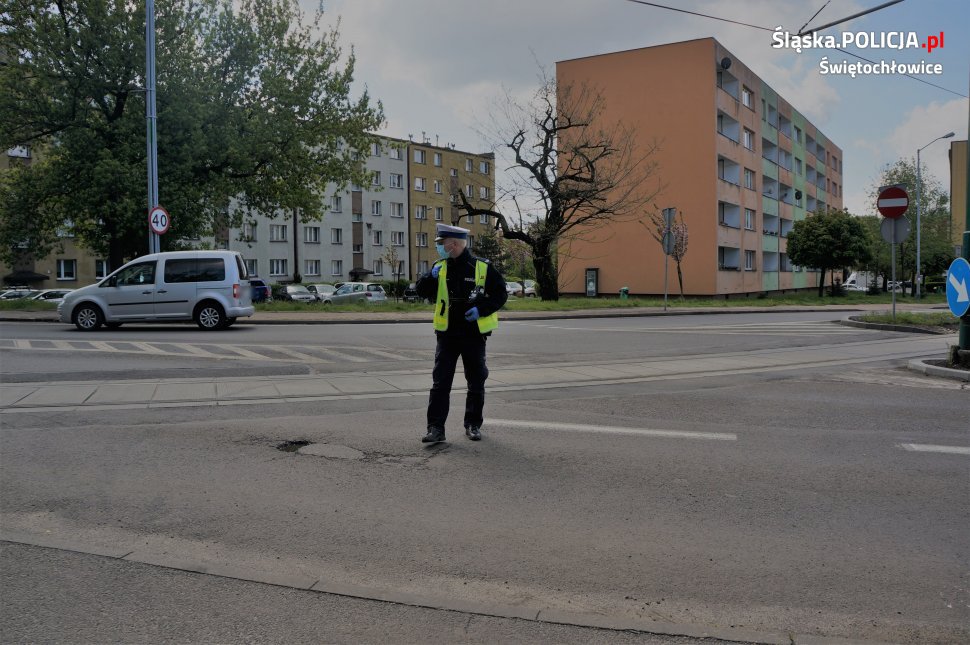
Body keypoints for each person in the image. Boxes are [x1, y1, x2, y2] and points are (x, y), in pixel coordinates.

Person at [415, 223, 508, 443]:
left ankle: (473, 424)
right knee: (440, 383)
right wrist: (430, 277)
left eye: (441, 243)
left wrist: (481, 310)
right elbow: (421, 291)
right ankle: (435, 429)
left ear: (453, 244)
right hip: (447, 335)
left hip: (473, 335)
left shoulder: (482, 267)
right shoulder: (440, 267)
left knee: (476, 382)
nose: (438, 247)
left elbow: (500, 294)